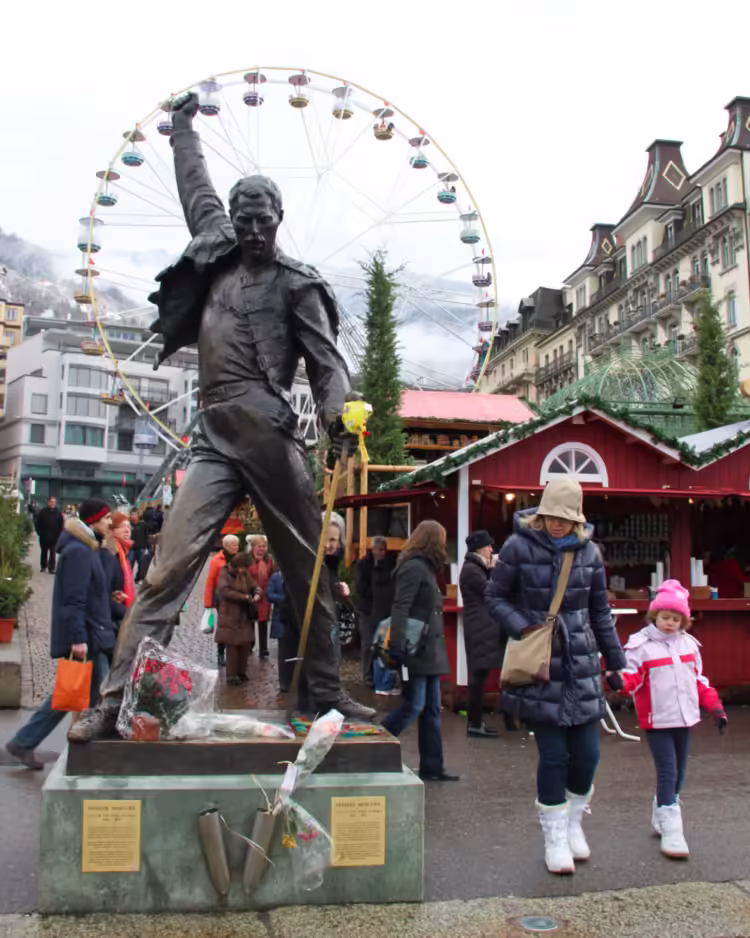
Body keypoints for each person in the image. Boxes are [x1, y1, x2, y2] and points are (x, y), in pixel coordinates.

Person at [69, 91, 372, 742]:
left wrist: (337, 415)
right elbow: (195, 186)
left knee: (307, 570)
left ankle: (327, 696)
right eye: (244, 219)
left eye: (263, 219)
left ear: (279, 218)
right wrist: (182, 130)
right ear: (234, 218)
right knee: (166, 571)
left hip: (269, 434)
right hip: (212, 438)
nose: (253, 229)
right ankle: (114, 703)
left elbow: (326, 364)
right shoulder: (215, 252)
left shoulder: (298, 284)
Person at [485, 477, 626, 875]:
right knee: (552, 756)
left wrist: (615, 661)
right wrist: (524, 627)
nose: (556, 524)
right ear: (541, 512)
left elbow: (599, 611)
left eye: (564, 518)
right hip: (539, 665)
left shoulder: (591, 554)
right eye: (550, 516)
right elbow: (495, 597)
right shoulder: (517, 547)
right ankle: (554, 837)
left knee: (588, 756)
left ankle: (573, 821)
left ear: (576, 518)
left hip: (581, 664)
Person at [611, 579, 727, 859]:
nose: (670, 623)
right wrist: (618, 682)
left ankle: (661, 812)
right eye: (665, 617)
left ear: (683, 621)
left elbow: (698, 681)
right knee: (668, 771)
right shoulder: (641, 645)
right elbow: (632, 679)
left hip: (684, 718)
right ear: (654, 615)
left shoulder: (689, 645)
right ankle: (672, 830)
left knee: (680, 772)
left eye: (676, 619)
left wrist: (716, 708)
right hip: (658, 719)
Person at [5, 499, 117, 770]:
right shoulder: (79, 551)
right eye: (106, 519)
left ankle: (79, 750)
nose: (110, 523)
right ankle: (25, 742)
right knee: (71, 695)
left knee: (87, 697)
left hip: (94, 634)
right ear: (92, 521)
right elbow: (73, 600)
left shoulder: (89, 547)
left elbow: (93, 592)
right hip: (87, 638)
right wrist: (78, 639)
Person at [381, 520, 459, 782]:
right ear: (433, 540)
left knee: (431, 709)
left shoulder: (423, 567)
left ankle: (433, 766)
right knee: (414, 706)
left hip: (428, 650)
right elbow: (400, 607)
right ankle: (374, 742)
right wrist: (397, 644)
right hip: (416, 649)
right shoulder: (414, 568)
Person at [459, 529, 516, 737]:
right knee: (478, 677)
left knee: (481, 676)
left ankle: (478, 722)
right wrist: (494, 571)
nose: (491, 550)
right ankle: (475, 724)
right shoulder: (472, 570)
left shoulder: (475, 568)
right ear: (479, 549)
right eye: (488, 546)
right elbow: (491, 592)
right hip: (480, 629)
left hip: (482, 629)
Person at [215, 553, 261, 685]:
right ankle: (231, 676)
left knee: (245, 644)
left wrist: (257, 593)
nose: (245, 570)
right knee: (233, 646)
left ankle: (241, 672)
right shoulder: (225, 573)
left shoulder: (245, 574)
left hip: (244, 615)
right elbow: (225, 591)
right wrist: (245, 597)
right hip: (230, 614)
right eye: (243, 567)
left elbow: (253, 586)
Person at [355, 536, 395, 689]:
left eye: (383, 550)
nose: (381, 553)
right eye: (379, 549)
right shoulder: (363, 565)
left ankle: (382, 677)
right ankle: (367, 675)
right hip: (367, 610)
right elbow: (360, 587)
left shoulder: (390, 565)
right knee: (367, 644)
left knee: (383, 645)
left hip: (384, 610)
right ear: (372, 550)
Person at [204, 534, 240, 667]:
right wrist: (208, 603)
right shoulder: (217, 560)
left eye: (237, 545)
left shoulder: (239, 559)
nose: (236, 548)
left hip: (237, 596)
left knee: (237, 624)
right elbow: (210, 581)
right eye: (233, 545)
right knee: (224, 626)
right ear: (225, 546)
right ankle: (220, 653)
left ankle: (235, 652)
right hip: (222, 598)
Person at [247, 535, 274, 658]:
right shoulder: (247, 560)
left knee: (263, 622)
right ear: (253, 547)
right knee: (250, 620)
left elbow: (272, 575)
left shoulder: (269, 560)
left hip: (264, 595)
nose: (262, 549)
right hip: (251, 594)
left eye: (264, 546)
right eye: (259, 547)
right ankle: (250, 645)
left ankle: (263, 648)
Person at [109, 512, 135, 631]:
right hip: (110, 618)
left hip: (117, 614)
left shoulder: (123, 553)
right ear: (112, 530)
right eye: (122, 526)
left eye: (129, 527)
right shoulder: (110, 553)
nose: (127, 530)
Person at [266, 569, 290, 692]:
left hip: (293, 620)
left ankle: (293, 679)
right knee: (283, 653)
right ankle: (284, 682)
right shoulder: (276, 577)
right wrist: (284, 599)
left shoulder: (294, 575)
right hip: (280, 618)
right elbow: (269, 595)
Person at [35, 496, 64, 574]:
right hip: (44, 536)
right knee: (44, 552)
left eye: (54, 502)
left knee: (52, 553)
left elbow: (61, 525)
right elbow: (38, 524)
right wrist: (39, 533)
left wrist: (61, 534)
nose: (53, 504)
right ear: (48, 502)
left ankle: (51, 568)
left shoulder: (58, 513)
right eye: (51, 502)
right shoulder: (42, 512)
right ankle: (43, 566)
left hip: (54, 537)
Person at [129, 510, 151, 583]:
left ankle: (138, 578)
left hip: (141, 547)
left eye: (135, 514)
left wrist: (148, 547)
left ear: (138, 516)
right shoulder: (128, 525)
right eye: (132, 515)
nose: (133, 516)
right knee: (129, 565)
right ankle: (128, 580)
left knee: (141, 564)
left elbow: (146, 536)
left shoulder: (143, 525)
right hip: (131, 548)